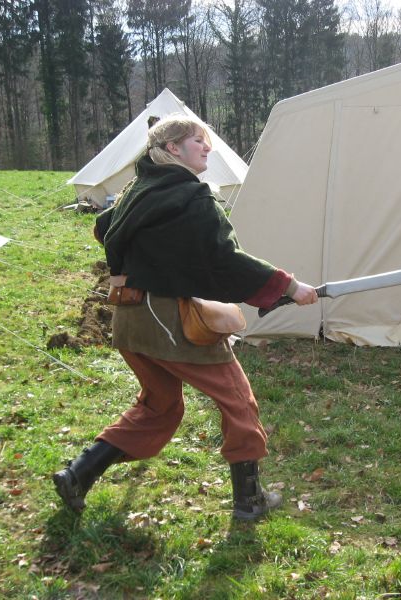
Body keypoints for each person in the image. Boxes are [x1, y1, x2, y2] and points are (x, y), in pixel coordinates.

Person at [53, 114, 318, 521]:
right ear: (173, 148)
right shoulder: (192, 196)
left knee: (159, 409)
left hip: (128, 321)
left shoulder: (137, 190)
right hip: (169, 322)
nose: (208, 147)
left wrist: (155, 259)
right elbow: (223, 259)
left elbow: (103, 228)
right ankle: (250, 502)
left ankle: (78, 474)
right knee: (237, 401)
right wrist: (287, 287)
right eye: (199, 140)